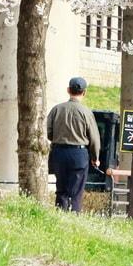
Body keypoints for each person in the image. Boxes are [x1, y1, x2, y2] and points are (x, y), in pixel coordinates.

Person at [46, 76, 100, 212]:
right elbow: (94, 137)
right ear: (84, 92)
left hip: (59, 153)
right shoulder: (86, 112)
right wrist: (95, 158)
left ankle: (60, 215)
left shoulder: (56, 109)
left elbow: (48, 132)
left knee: (61, 190)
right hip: (79, 154)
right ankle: (74, 217)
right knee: (76, 193)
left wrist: (58, 139)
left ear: (68, 90)